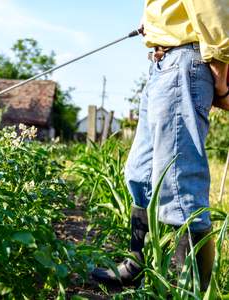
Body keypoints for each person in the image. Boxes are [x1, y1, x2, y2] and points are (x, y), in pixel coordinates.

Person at [91, 0, 229, 290]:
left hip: (186, 60)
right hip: (161, 63)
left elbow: (210, 7)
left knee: (180, 182)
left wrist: (220, 76)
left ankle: (192, 291)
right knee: (139, 173)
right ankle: (135, 264)